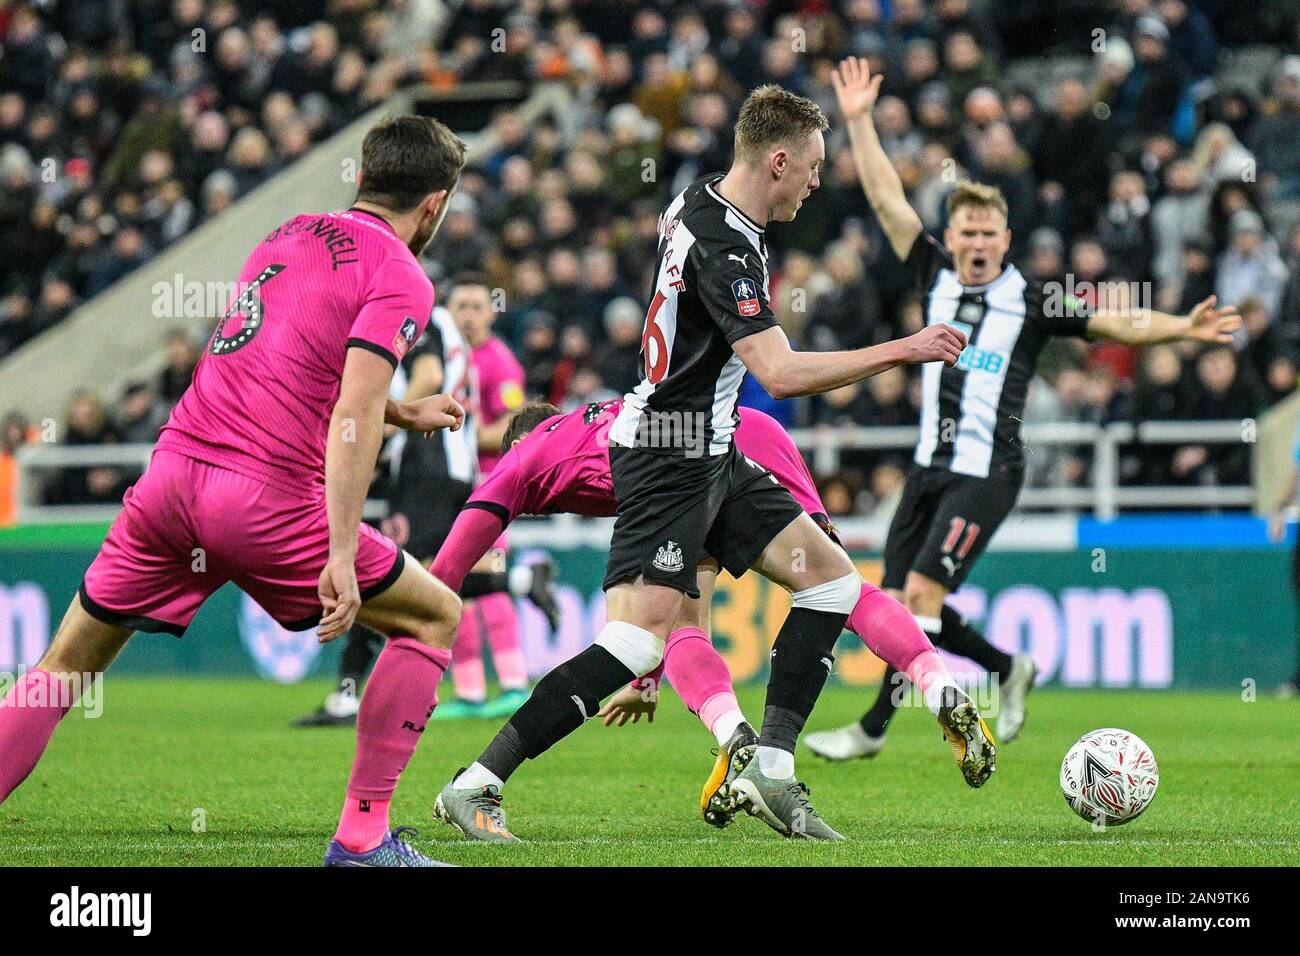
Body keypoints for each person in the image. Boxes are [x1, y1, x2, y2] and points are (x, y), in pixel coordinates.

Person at [433, 81, 979, 844]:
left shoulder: (700, 201)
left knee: (830, 584)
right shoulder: (727, 246)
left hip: (709, 448)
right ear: (780, 160)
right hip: (666, 456)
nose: (819, 181)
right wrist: (907, 348)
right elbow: (781, 373)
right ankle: (477, 783)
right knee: (633, 645)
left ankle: (774, 773)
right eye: (814, 165)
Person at [0, 116, 471, 868]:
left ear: (362, 177)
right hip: (263, 502)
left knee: (62, 670)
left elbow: (289, 358)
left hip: (171, 481)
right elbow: (349, 414)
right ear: (433, 206)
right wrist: (343, 552)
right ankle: (362, 840)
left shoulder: (285, 234)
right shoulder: (401, 274)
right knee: (433, 618)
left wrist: (402, 408)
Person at [805, 57, 1242, 762]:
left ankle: (873, 730)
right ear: (951, 239)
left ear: (1006, 241)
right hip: (927, 468)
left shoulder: (1036, 300)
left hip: (989, 470)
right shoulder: (933, 275)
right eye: (966, 232)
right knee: (896, 609)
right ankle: (1006, 668)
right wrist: (856, 119)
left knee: (915, 596)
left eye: (988, 234)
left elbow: (1116, 325)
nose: (976, 244)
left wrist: (1182, 327)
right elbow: (888, 200)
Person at [427, 398, 982, 832]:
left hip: (697, 460)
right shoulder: (607, 415)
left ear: (524, 438)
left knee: (670, 630)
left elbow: (466, 536)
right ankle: (933, 688)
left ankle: (740, 742)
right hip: (737, 434)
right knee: (835, 585)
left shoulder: (531, 454)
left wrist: (429, 635)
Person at [293, 279, 559, 727]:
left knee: (387, 572)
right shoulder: (453, 337)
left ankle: (349, 694)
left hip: (428, 464)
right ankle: (515, 588)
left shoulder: (425, 324)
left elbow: (430, 378)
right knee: (426, 575)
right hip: (442, 466)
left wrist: (394, 424)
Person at [446, 272, 534, 719]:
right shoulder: (446, 358)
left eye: (476, 306)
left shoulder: (499, 362)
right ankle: (469, 693)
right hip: (448, 486)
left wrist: (463, 432)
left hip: (488, 485)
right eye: (459, 305)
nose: (467, 315)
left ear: (492, 311)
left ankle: (515, 684)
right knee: (454, 585)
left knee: (491, 579)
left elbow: (514, 427)